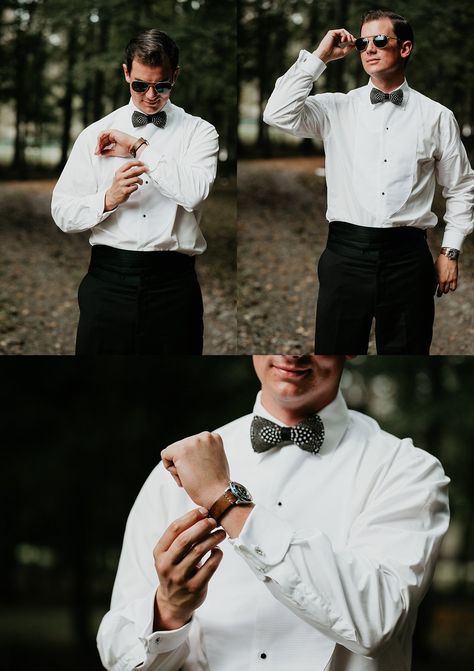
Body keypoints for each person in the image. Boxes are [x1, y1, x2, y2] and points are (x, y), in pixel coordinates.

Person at [97, 355, 450, 671]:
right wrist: (168, 612)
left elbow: (377, 620)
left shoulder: (407, 470)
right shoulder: (177, 469)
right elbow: (118, 653)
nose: (292, 350)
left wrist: (226, 502)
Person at [263, 9, 474, 355]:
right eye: (363, 42)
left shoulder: (437, 116)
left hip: (408, 260)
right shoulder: (336, 108)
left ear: (405, 48)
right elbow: (276, 112)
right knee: (333, 354)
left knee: (408, 354)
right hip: (345, 257)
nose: (369, 49)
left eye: (380, 40)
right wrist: (319, 57)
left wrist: (450, 249)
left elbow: (461, 186)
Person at [51, 29, 218, 354]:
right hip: (108, 281)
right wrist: (107, 199)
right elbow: (62, 213)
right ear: (126, 73)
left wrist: (139, 146)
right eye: (140, 85)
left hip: (174, 285)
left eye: (162, 85)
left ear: (176, 76)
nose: (151, 95)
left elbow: (195, 192)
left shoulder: (200, 132)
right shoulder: (93, 135)